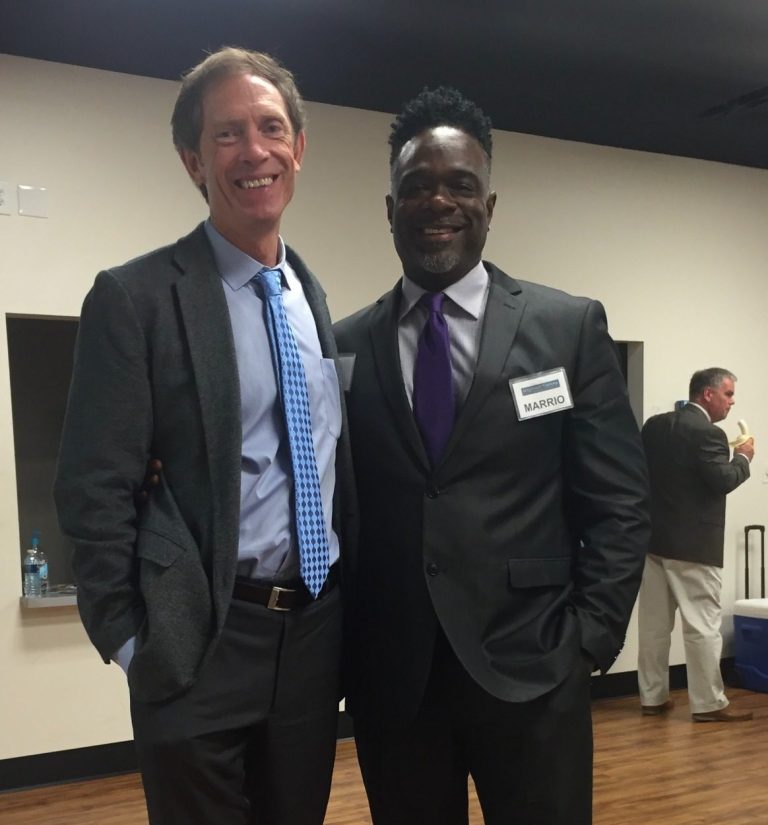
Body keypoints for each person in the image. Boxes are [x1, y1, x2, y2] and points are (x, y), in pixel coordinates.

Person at [54, 47, 356, 825]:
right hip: (199, 634)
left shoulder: (311, 297)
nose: (254, 150)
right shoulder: (137, 298)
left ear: (299, 147)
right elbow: (93, 490)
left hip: (310, 638)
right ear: (193, 160)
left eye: (271, 128)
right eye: (227, 134)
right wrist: (133, 642)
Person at [333, 87, 650, 825]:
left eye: (460, 184)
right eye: (417, 185)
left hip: (536, 669)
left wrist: (588, 641)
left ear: (490, 204)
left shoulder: (566, 328)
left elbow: (621, 502)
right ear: (390, 208)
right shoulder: (343, 346)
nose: (438, 201)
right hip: (396, 684)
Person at [638, 368, 754, 722]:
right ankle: (708, 704)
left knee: (654, 627)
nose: (732, 402)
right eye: (728, 394)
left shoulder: (655, 426)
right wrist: (744, 457)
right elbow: (722, 480)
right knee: (702, 627)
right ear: (708, 394)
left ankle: (652, 698)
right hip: (694, 547)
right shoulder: (710, 433)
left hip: (653, 542)